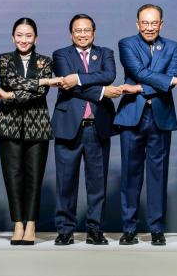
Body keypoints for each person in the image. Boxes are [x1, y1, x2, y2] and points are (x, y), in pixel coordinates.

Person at [115, 4, 177, 246]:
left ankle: (156, 229)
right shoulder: (126, 44)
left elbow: (166, 79)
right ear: (137, 24)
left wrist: (139, 88)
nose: (150, 27)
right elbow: (140, 72)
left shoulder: (172, 46)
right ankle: (129, 229)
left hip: (160, 117)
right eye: (145, 23)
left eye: (154, 23)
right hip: (132, 116)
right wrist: (175, 81)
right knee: (130, 175)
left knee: (158, 175)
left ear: (161, 24)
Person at [51, 14, 124, 246]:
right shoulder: (61, 55)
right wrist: (102, 91)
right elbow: (68, 86)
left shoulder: (105, 53)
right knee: (65, 182)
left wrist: (78, 78)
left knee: (97, 183)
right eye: (77, 30)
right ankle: (65, 230)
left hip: (97, 126)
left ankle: (95, 230)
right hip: (68, 126)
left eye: (86, 30)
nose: (82, 34)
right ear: (71, 33)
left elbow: (109, 75)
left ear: (94, 32)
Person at [0, 18, 62, 245]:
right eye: (19, 35)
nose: (24, 40)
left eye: (28, 35)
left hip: (37, 123)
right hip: (8, 123)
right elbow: (9, 81)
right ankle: (18, 224)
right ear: (13, 37)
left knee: (34, 176)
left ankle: (31, 224)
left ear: (36, 38)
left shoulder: (45, 61)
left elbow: (40, 93)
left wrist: (11, 95)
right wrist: (43, 81)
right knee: (12, 176)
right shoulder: (4, 59)